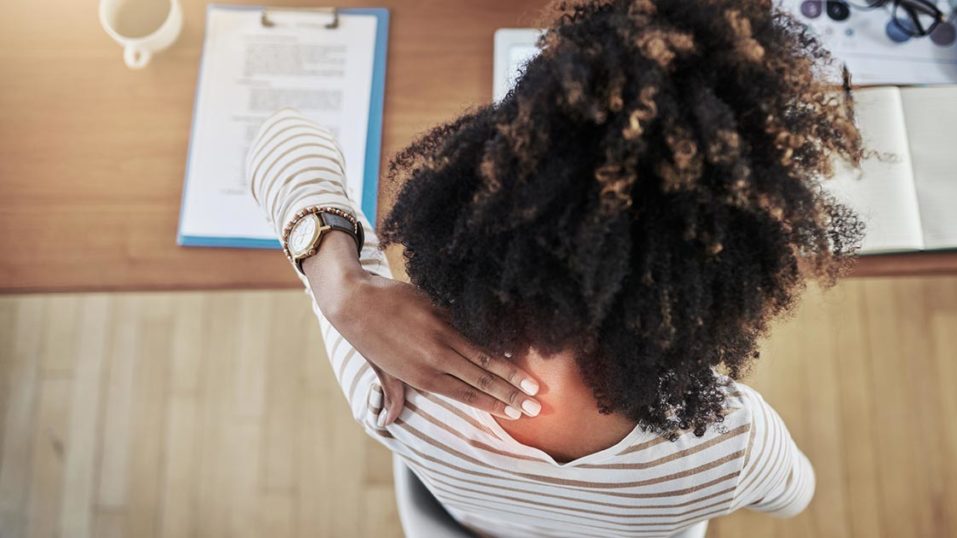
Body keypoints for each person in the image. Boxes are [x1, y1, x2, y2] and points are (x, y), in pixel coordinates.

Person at [247, 0, 864, 535]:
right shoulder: (734, 447)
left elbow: (281, 134)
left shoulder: (390, 380)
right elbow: (794, 495)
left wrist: (344, 289)